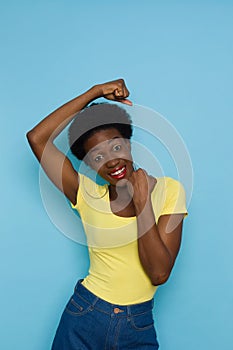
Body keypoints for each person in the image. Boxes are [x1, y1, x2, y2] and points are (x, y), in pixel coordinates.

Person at [26, 79, 188, 349]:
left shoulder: (171, 190)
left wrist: (142, 203)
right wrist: (95, 92)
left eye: (116, 146)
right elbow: (36, 138)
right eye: (97, 156)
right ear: (88, 163)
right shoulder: (84, 193)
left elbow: (159, 273)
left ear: (129, 142)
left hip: (138, 323)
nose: (111, 160)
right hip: (85, 315)